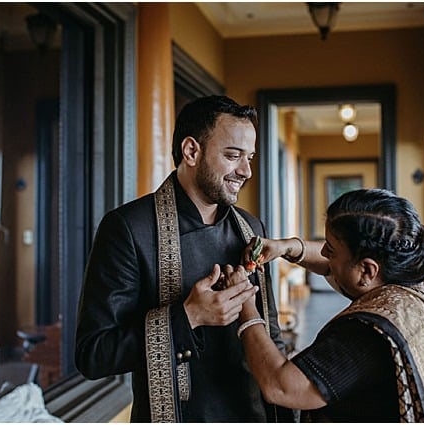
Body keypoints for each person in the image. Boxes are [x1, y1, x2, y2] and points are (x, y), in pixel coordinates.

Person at [76, 95, 289, 421]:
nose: (245, 171)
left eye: (249, 157)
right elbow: (94, 354)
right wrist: (187, 317)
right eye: (233, 156)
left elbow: (269, 330)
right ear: (191, 151)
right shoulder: (129, 228)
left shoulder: (251, 229)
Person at [233, 189, 424, 422]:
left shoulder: (368, 333)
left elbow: (281, 388)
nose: (324, 253)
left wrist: (245, 304)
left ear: (367, 270)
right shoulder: (409, 290)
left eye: (331, 250)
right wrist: (288, 247)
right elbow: (336, 267)